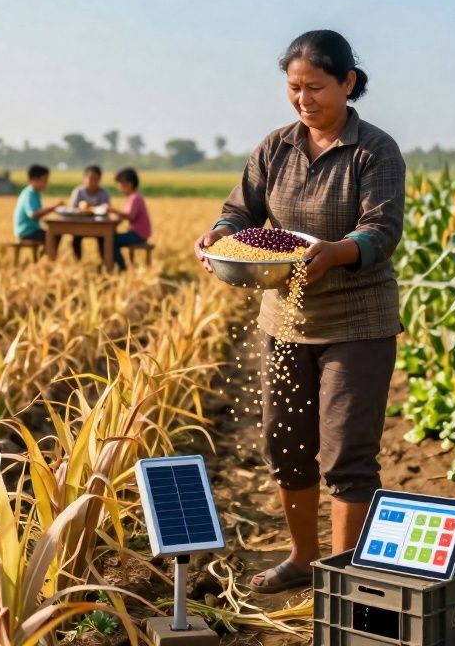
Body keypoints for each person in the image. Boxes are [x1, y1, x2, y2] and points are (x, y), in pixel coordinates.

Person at [193, 30, 404, 593]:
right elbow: (240, 212)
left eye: (316, 86)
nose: (304, 99)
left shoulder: (373, 150)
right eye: (294, 87)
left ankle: (343, 576)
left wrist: (336, 253)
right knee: (285, 444)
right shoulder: (275, 148)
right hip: (285, 319)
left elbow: (381, 229)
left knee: (345, 452)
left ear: (348, 83)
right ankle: (303, 558)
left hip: (358, 322)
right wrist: (219, 236)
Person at [109, 167, 151, 270]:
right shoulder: (132, 198)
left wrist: (113, 211)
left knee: (111, 241)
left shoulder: (135, 198)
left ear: (129, 184)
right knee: (111, 238)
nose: (119, 187)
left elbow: (130, 216)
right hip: (136, 233)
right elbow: (123, 216)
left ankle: (122, 268)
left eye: (120, 183)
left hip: (139, 234)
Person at [12, 164, 64, 244]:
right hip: (26, 231)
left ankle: (45, 255)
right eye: (45, 180)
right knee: (53, 236)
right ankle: (48, 255)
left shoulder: (35, 193)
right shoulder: (29, 194)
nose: (47, 183)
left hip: (32, 230)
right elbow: (33, 214)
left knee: (55, 234)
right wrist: (53, 207)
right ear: (34, 179)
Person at [69, 164, 112, 260]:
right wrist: (82, 209)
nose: (92, 182)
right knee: (76, 238)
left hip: (99, 226)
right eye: (90, 178)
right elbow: (72, 209)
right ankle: (77, 261)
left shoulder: (103, 193)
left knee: (104, 239)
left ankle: (105, 262)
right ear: (84, 178)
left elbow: (106, 209)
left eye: (95, 179)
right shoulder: (78, 192)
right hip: (80, 225)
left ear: (99, 179)